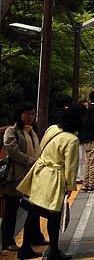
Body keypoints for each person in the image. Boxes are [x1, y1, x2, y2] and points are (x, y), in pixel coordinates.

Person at [17, 105, 83, 260]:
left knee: (33, 212)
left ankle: (25, 248)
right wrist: (70, 187)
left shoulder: (53, 129)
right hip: (54, 178)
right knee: (54, 215)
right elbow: (71, 168)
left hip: (40, 173)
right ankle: (54, 251)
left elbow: (41, 148)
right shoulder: (72, 140)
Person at [0, 102, 48, 255]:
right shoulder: (12, 131)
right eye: (27, 113)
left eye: (32, 114)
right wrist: (29, 161)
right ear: (19, 114)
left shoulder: (32, 131)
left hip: (31, 175)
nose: (30, 117)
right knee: (11, 209)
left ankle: (36, 237)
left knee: (33, 208)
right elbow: (12, 150)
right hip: (15, 176)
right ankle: (7, 241)